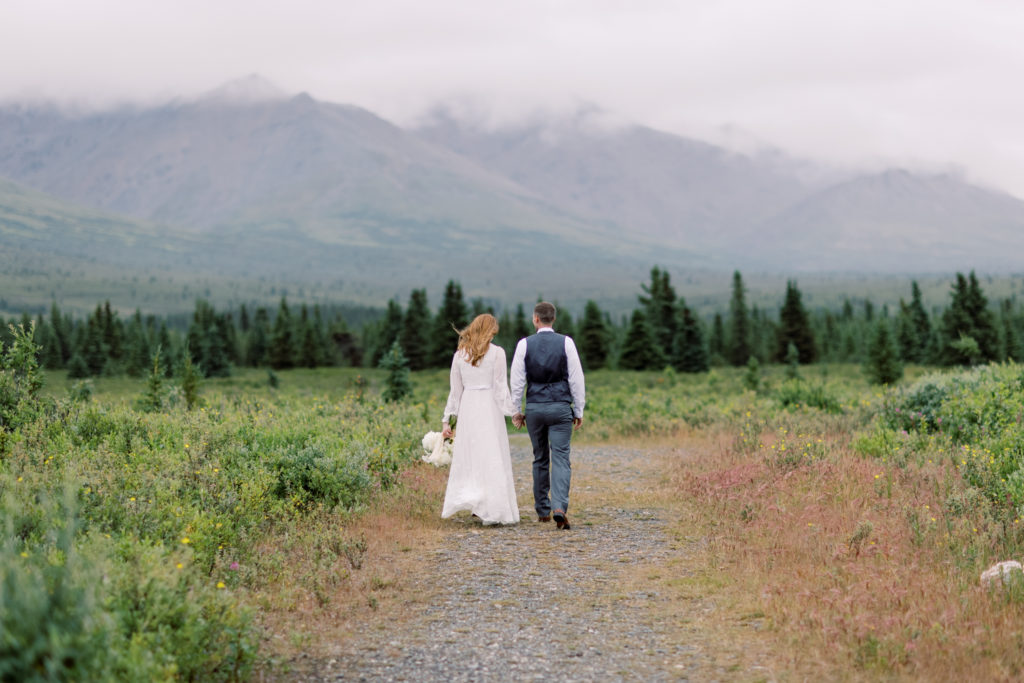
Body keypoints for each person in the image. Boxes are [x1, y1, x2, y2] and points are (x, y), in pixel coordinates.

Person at [510, 302, 585, 530]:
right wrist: (578, 409)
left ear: (535, 319)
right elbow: (576, 378)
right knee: (561, 457)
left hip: (534, 407)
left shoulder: (524, 344)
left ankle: (543, 510)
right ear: (553, 319)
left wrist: (517, 410)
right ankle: (559, 507)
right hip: (560, 407)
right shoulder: (567, 343)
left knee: (540, 457)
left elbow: (517, 380)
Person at [440, 313, 519, 525]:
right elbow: (501, 387)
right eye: (493, 333)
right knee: (491, 454)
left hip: (468, 407)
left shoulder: (459, 355)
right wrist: (514, 412)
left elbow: (455, 392)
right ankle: (488, 505)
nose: (493, 337)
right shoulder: (498, 353)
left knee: (472, 455)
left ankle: (479, 505)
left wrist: (447, 420)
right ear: (488, 332)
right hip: (489, 407)